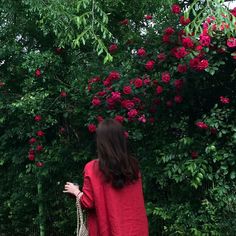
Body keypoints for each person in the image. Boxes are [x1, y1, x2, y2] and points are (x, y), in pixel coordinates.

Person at [63, 119, 149, 236]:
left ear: (101, 142)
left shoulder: (92, 168)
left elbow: (88, 203)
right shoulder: (133, 166)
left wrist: (76, 192)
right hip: (136, 230)